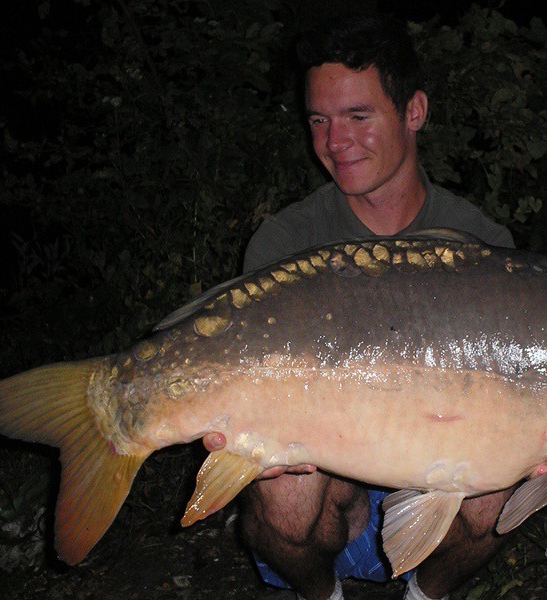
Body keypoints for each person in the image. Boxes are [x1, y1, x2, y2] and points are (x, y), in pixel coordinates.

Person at [204, 14, 517, 600]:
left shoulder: (482, 244)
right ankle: (323, 594)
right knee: (285, 495)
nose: (334, 141)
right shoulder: (284, 241)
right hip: (335, 481)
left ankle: (425, 593)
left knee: (503, 485)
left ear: (414, 112)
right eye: (319, 120)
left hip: (438, 458)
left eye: (357, 116)